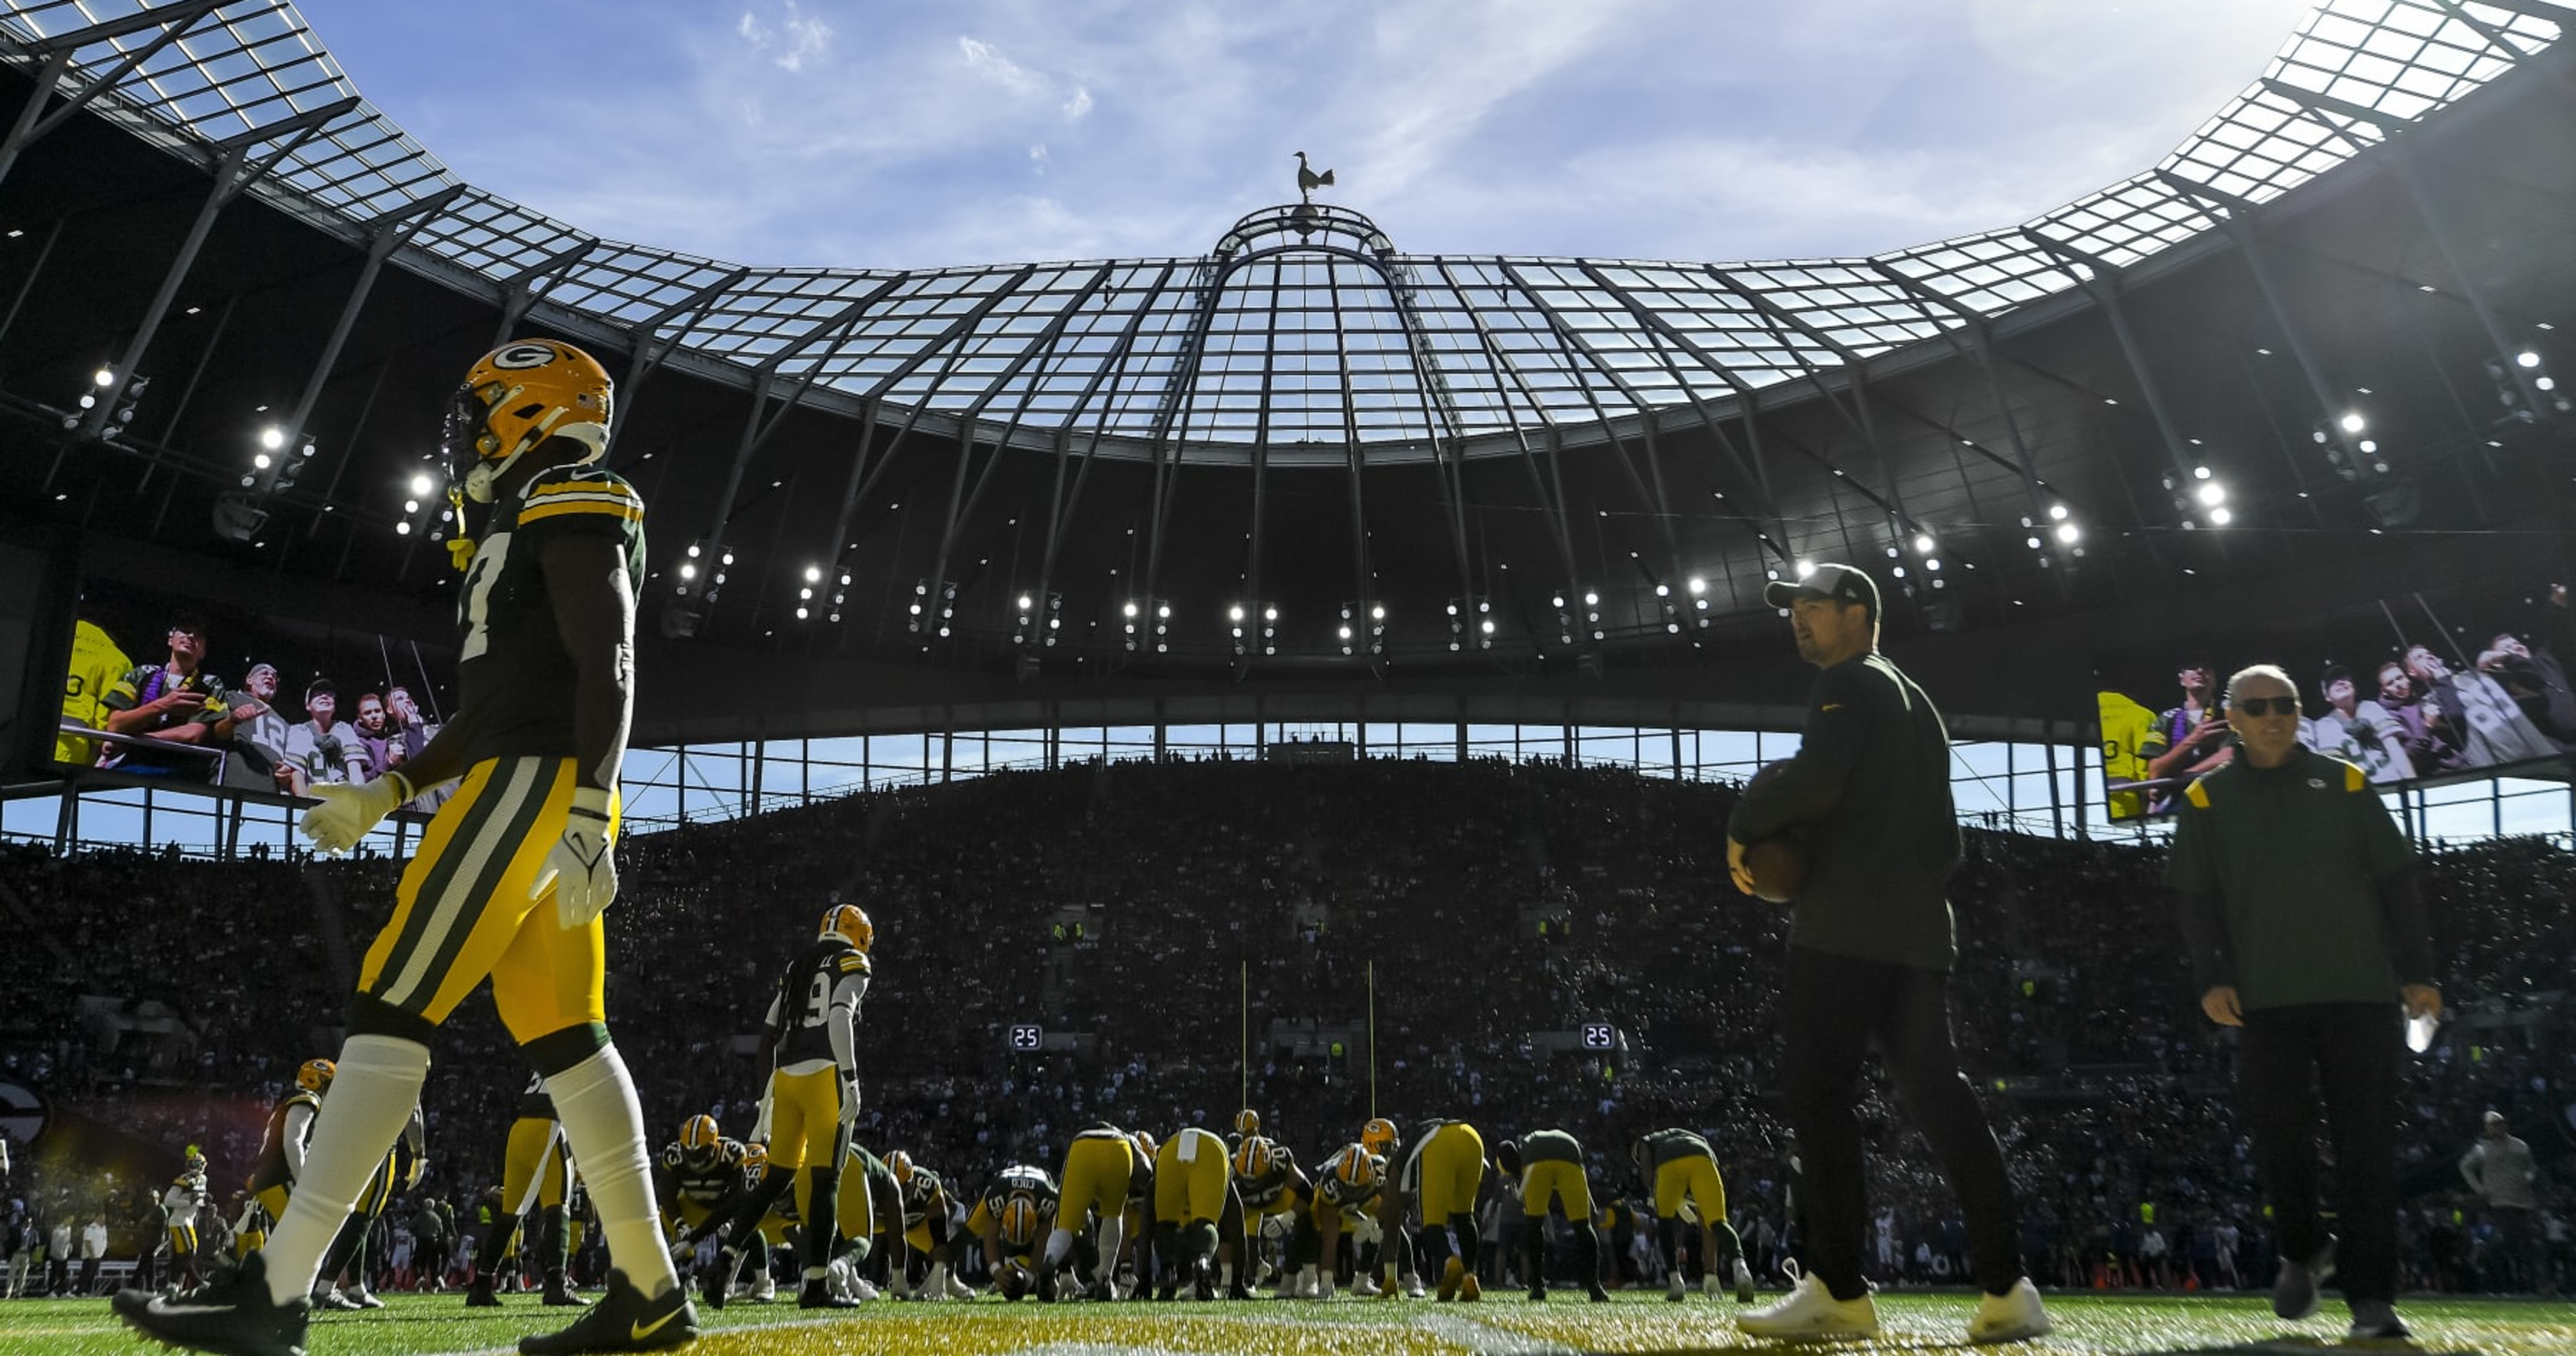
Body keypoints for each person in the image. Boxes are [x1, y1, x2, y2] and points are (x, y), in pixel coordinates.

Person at [115, 338, 683, 1356]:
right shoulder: (520, 523)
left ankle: (274, 1294)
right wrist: (389, 787)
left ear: (532, 412)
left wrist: (593, 805)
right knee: (567, 1037)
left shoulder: (574, 497)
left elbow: (612, 657)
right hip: (535, 777)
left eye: (483, 409)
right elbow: (501, 699)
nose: (467, 430)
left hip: (533, 786)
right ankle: (649, 1293)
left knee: (390, 1000)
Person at [1725, 563, 2049, 1343]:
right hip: (1914, 935)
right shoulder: (1916, 700)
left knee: (1815, 1097)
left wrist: (1744, 822)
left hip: (1841, 931)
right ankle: (2008, 1287)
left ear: (1856, 612)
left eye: (1811, 605)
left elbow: (1819, 776)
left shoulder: (1845, 685)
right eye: (1792, 608)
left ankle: (1838, 1287)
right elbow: (1948, 839)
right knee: (1942, 1098)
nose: (1797, 618)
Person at [2169, 662, 2441, 1341]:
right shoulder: (2204, 801)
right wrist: (2210, 976)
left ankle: (2370, 1298)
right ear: (2230, 716)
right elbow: (2194, 902)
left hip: (2359, 994)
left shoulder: (2346, 781)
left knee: (2366, 1150)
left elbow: (2397, 880)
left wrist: (2418, 971)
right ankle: (2301, 1246)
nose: (2273, 714)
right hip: (2265, 1001)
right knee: (2278, 1140)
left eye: (2284, 703)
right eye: (2256, 705)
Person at [714, 902, 872, 1310]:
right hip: (825, 1077)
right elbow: (839, 1017)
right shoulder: (852, 961)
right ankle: (815, 1284)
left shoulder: (797, 965)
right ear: (860, 934)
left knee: (774, 1179)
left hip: (786, 1079)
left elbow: (767, 1037)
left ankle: (726, 1259)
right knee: (825, 1181)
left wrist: (767, 1095)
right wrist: (851, 1079)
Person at [1632, 1127, 1755, 1304]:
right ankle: (1741, 1271)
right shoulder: (1693, 1137)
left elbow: (1646, 1168)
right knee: (1717, 1222)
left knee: (1665, 1220)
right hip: (1704, 1158)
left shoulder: (1646, 1141)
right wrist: (1710, 1274)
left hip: (1670, 1164)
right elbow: (1707, 1225)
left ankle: (1676, 1282)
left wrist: (1652, 1193)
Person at [97, 615, 230, 776]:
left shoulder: (210, 683)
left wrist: (135, 740)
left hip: (179, 772)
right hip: (129, 766)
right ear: (170, 640)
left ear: (203, 652)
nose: (190, 636)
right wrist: (163, 706)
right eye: (185, 631)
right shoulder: (141, 674)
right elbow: (116, 724)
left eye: (198, 636)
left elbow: (195, 733)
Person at [1512, 1129, 1610, 1304]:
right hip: (1570, 1152)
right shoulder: (1570, 1142)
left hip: (1535, 1155)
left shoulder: (1529, 1141)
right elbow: (1589, 1203)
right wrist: (1591, 1212)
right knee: (1582, 1225)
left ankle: (1537, 1287)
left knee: (1534, 1223)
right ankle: (1594, 1286)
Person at [2459, 1111, 2545, 1294]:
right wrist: (2480, 1190)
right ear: (2487, 1128)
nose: (2498, 1127)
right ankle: (2494, 1281)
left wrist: (2528, 1178)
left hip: (2523, 1203)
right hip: (2498, 1204)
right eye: (2494, 1124)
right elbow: (2465, 1167)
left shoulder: (2520, 1146)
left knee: (2529, 1244)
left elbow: (2531, 1166)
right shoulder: (2482, 1148)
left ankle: (2535, 1285)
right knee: (2501, 1242)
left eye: (2500, 1123)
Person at [2138, 659, 2232, 814]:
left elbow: (2230, 756)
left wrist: (2182, 777)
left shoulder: (2229, 715)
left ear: (2214, 681)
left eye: (2207, 667)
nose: (2200, 670)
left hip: (2220, 802)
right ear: (2182, 679)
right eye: (2192, 666)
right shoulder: (2165, 720)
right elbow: (2155, 772)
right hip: (2177, 808)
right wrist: (2193, 740)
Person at [2305, 664, 2413, 784]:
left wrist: (2412, 784)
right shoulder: (2324, 726)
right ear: (2327, 696)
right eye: (2333, 682)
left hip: (2395, 784)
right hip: (2362, 792)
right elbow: (2337, 770)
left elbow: (2395, 750)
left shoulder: (2371, 707)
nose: (2340, 682)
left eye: (2344, 678)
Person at [277, 679, 368, 796]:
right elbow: (297, 774)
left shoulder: (344, 728)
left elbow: (355, 770)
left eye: (330, 694)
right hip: (315, 802)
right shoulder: (299, 731)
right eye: (317, 694)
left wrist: (358, 802)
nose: (324, 696)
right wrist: (304, 807)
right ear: (308, 706)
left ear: (335, 707)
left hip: (344, 802)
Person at [163, 1146, 212, 1293]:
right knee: (189, 1252)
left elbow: (199, 1201)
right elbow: (168, 1201)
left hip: (188, 1221)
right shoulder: (184, 1179)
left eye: (199, 1164)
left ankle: (172, 1286)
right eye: (194, 1164)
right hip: (180, 1221)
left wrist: (206, 1203)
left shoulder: (203, 1179)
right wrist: (188, 1203)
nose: (196, 1167)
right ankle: (198, 1283)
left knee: (183, 1256)